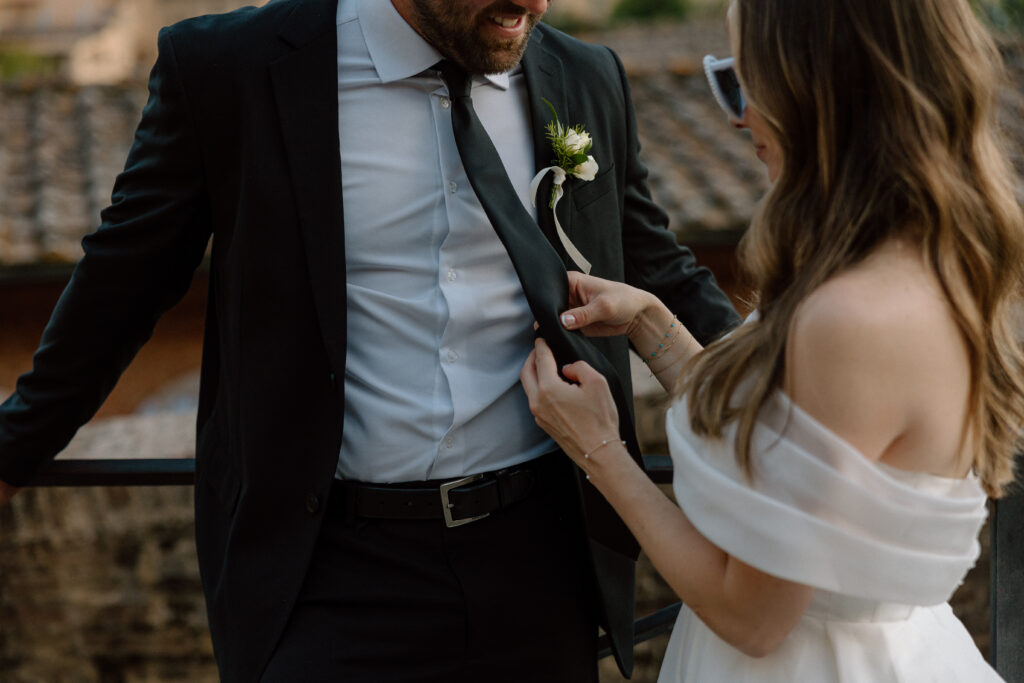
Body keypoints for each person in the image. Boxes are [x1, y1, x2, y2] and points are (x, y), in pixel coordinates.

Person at [0, 0, 740, 680]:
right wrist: (15, 445)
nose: (534, 4)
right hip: (328, 572)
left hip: (543, 558)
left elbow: (658, 268)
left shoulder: (584, 75)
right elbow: (123, 281)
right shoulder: (232, 70)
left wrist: (785, 402)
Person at [521, 0, 1024, 680]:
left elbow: (751, 615)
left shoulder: (850, 318)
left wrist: (601, 451)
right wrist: (652, 325)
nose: (735, 115)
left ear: (818, 90)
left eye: (745, 81)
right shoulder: (916, 256)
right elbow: (780, 444)